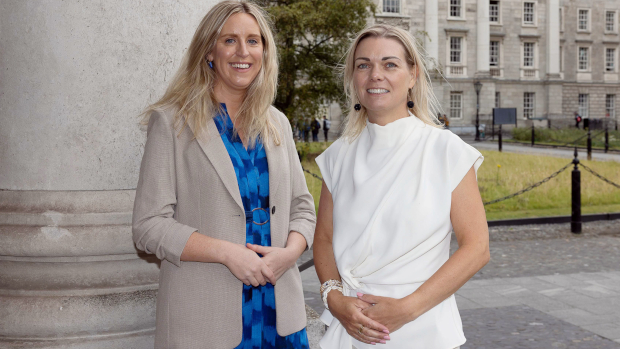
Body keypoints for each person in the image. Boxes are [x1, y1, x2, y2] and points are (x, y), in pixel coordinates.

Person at [132, 2, 316, 348]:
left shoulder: (277, 123)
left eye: (254, 40)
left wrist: (290, 253)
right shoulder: (171, 122)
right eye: (229, 40)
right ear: (209, 51)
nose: (243, 52)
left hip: (281, 320)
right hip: (206, 324)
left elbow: (303, 208)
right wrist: (228, 253)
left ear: (265, 50)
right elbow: (148, 225)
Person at [313, 24, 489, 349]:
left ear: (412, 75)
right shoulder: (337, 157)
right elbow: (322, 239)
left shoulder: (445, 150)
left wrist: (407, 310)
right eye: (363, 64)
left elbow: (476, 248)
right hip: (349, 329)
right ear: (353, 77)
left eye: (389, 64)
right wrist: (334, 299)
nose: (375, 74)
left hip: (422, 328)